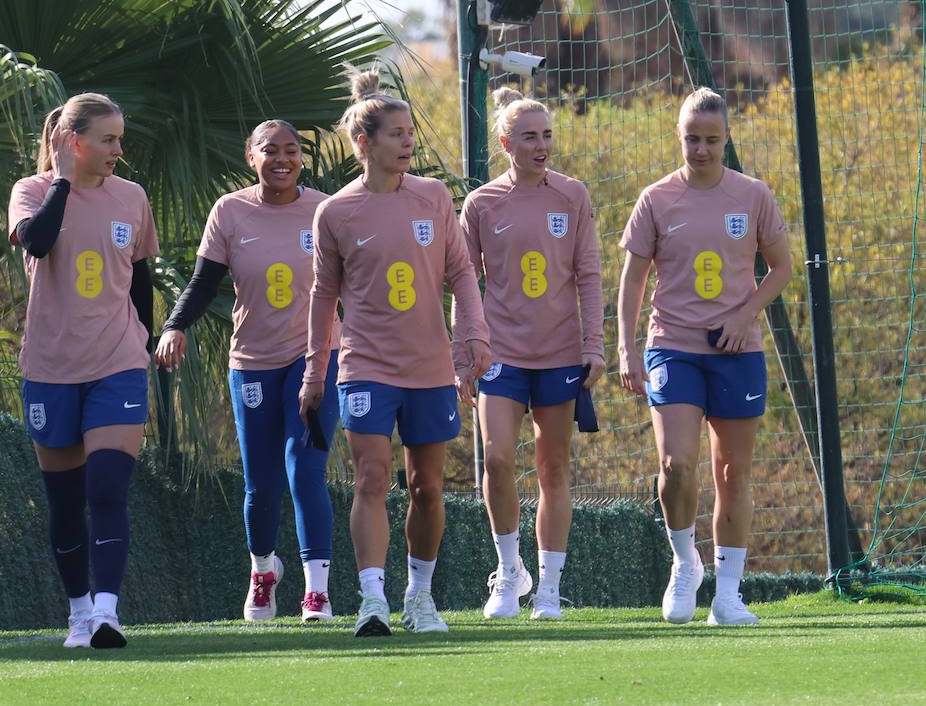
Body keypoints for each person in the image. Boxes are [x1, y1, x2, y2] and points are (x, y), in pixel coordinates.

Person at [299, 69, 492, 637]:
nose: (408, 142)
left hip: (430, 367)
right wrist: (315, 371)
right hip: (365, 368)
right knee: (371, 479)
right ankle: (372, 599)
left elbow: (461, 271)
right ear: (365, 142)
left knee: (428, 486)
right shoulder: (335, 212)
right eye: (395, 134)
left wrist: (472, 336)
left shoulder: (433, 197)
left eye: (410, 133)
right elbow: (322, 297)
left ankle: (420, 596)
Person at [617, 87, 792, 626]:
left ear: (726, 138)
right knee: (676, 463)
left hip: (737, 352)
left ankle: (727, 596)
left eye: (712, 140)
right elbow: (632, 279)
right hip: (673, 346)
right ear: (679, 137)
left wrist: (745, 317)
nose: (701, 149)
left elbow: (782, 268)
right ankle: (683, 561)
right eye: (692, 138)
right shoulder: (655, 199)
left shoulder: (753, 195)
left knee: (732, 472)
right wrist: (626, 346)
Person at [155, 120, 340, 622]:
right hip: (253, 364)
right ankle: (263, 572)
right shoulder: (230, 212)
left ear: (302, 157)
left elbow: (356, 285)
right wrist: (175, 326)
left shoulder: (326, 209)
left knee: (305, 472)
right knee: (261, 482)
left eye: (292, 150)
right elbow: (203, 283)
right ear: (251, 158)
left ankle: (316, 592)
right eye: (270, 150)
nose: (282, 159)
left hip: (315, 360)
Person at [10, 93, 159, 649]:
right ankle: (76, 611)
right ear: (75, 142)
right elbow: (38, 241)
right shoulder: (31, 192)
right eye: (109, 139)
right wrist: (63, 181)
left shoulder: (132, 197)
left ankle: (107, 611)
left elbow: (139, 279)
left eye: (120, 139)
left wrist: (142, 342)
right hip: (50, 367)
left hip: (117, 363)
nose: (119, 150)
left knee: (107, 487)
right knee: (66, 498)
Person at [461, 88, 604, 621]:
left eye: (546, 135)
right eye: (529, 136)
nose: (541, 145)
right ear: (505, 143)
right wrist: (463, 352)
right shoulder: (481, 204)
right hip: (499, 356)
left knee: (553, 468)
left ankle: (548, 589)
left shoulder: (573, 196)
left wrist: (595, 346)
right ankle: (508, 571)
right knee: (497, 458)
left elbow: (588, 274)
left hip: (561, 354)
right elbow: (463, 283)